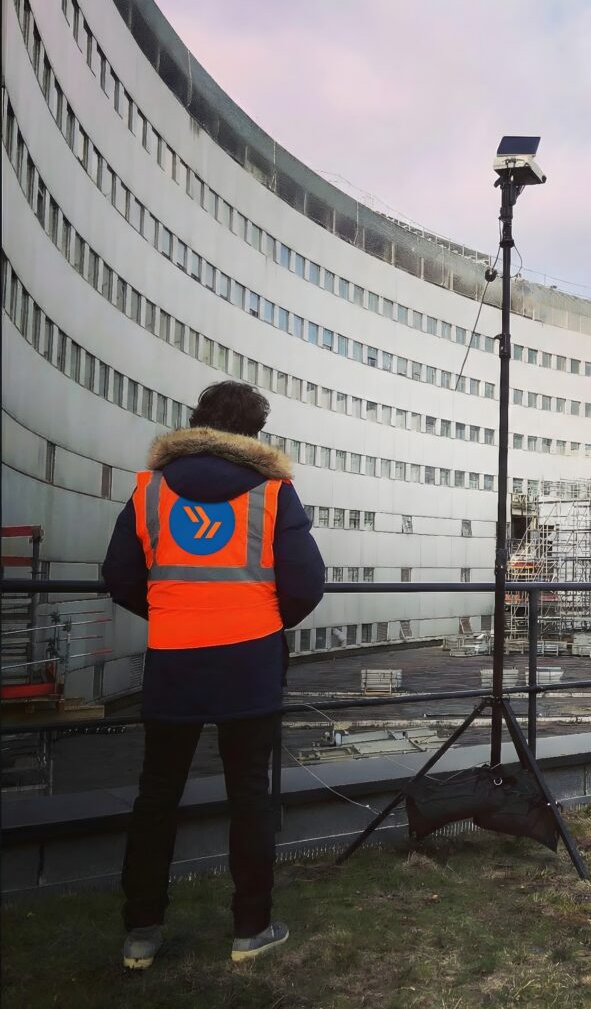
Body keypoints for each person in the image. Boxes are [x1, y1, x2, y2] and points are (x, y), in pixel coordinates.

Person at [103, 381, 324, 968]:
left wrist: (172, 612)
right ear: (253, 433)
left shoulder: (150, 490)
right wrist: (261, 619)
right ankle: (250, 929)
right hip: (248, 663)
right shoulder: (274, 492)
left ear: (196, 422)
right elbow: (306, 584)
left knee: (157, 796)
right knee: (250, 797)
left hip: (174, 661)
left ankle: (142, 933)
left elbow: (120, 574)